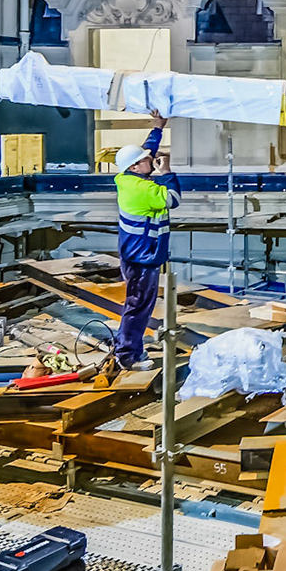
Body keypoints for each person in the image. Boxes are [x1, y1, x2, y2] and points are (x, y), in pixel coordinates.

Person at [111, 110, 178, 373]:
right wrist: (168, 172)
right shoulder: (145, 189)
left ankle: (129, 345)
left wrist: (157, 128)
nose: (151, 159)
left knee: (139, 304)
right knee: (138, 305)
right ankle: (128, 354)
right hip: (143, 257)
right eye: (145, 160)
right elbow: (173, 199)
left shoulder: (128, 179)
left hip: (136, 254)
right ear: (135, 167)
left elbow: (146, 152)